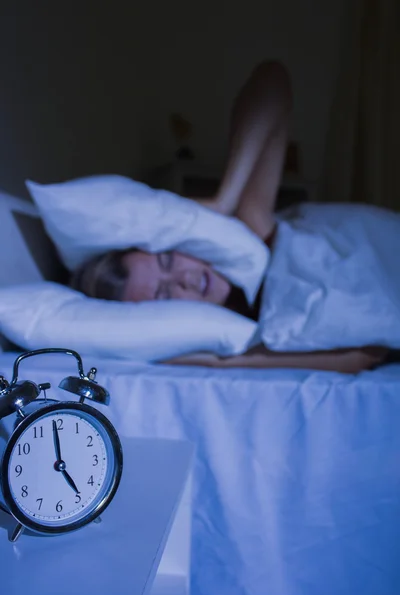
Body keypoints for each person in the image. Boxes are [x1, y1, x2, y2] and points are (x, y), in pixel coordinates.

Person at [71, 61, 386, 373]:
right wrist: (217, 360)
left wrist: (225, 199)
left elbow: (273, 80)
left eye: (168, 261)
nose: (185, 279)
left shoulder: (256, 228)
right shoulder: (249, 333)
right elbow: (364, 353)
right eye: (164, 294)